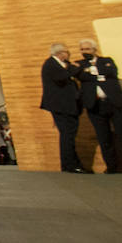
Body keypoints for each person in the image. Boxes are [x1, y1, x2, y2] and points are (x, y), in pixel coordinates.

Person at [76, 39, 122, 174]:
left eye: (87, 49)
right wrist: (99, 74)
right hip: (95, 105)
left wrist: (92, 72)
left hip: (115, 103)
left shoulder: (107, 60)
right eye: (82, 50)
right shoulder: (79, 64)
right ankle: (112, 167)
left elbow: (112, 72)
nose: (85, 52)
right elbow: (81, 75)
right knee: (103, 137)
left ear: (94, 49)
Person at [40, 43, 89, 173]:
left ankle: (70, 164)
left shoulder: (62, 65)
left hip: (67, 105)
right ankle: (71, 164)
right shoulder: (50, 64)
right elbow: (61, 77)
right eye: (67, 53)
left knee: (68, 135)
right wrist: (75, 68)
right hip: (61, 105)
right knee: (68, 135)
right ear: (60, 53)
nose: (69, 55)